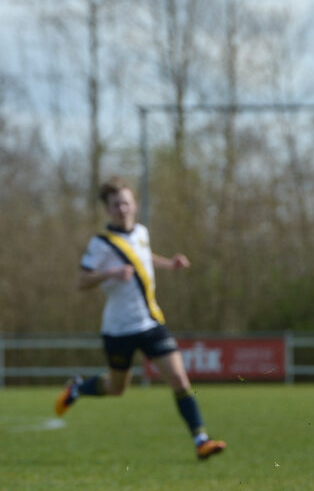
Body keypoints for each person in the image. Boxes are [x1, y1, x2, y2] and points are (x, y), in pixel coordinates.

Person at [53, 176, 226, 460]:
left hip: (151, 323)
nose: (122, 208)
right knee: (116, 387)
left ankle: (201, 440)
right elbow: (81, 281)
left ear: (134, 205)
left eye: (126, 202)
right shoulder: (101, 244)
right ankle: (77, 388)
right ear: (107, 210)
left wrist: (170, 263)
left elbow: (143, 255)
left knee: (180, 380)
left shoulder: (142, 233)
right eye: (115, 204)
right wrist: (111, 273)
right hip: (118, 329)